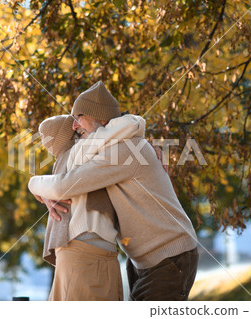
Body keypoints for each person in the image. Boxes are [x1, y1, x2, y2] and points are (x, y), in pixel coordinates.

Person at [29, 81, 199, 301]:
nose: (74, 126)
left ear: (100, 118)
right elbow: (69, 153)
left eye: (78, 117)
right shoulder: (120, 146)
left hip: (169, 255)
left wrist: (33, 183)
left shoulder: (123, 151)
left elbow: (64, 185)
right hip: (145, 259)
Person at [35, 113, 144, 300]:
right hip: (87, 252)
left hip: (85, 253)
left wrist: (34, 183)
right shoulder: (80, 152)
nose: (77, 126)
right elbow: (132, 123)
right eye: (75, 123)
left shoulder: (72, 158)